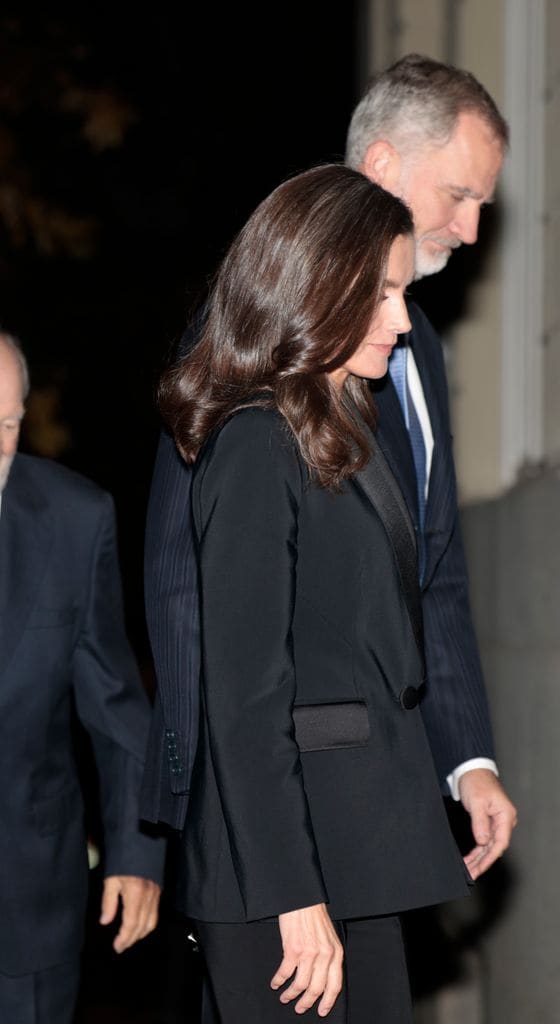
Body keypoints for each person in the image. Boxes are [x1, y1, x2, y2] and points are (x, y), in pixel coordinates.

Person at [141, 53, 516, 880]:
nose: (472, 228)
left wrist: (466, 758)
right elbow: (183, 569)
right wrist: (208, 792)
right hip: (265, 803)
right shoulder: (252, 335)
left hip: (382, 791)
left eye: (482, 203)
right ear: (383, 166)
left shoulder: (420, 353)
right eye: (460, 194)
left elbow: (433, 575)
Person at [158, 162, 473, 1022]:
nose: (402, 322)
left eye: (402, 293)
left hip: (350, 850)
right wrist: (295, 898)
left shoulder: (339, 428)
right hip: (288, 882)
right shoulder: (259, 444)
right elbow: (246, 699)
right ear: (314, 288)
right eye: (379, 296)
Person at [0, 332, 165, 1024]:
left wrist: (137, 851)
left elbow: (115, 704)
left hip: (25, 904)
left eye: (6, 424)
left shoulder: (74, 519)